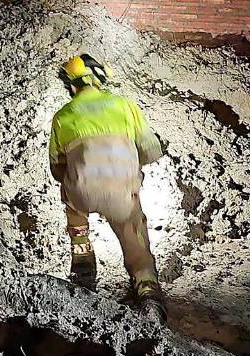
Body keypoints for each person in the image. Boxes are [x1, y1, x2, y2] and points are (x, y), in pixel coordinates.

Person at [49, 54, 166, 321]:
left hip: (83, 193)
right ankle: (147, 289)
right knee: (133, 228)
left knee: (72, 201)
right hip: (122, 194)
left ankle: (83, 268)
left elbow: (57, 168)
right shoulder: (124, 106)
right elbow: (149, 150)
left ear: (72, 85)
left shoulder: (62, 116)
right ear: (99, 80)